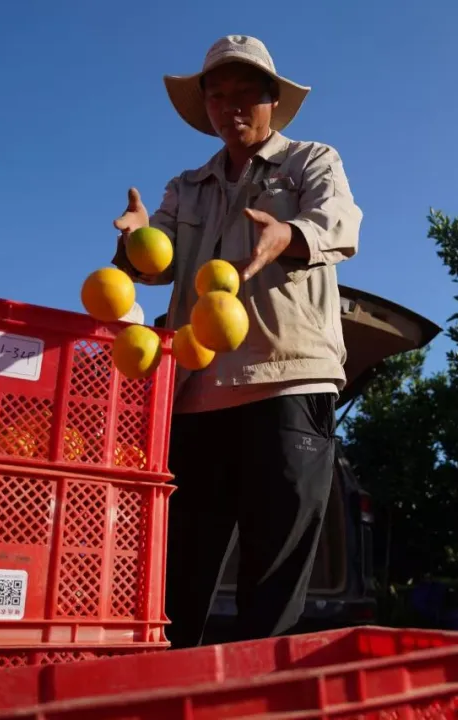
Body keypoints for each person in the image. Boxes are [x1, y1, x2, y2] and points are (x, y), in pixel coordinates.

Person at [111, 35, 363, 648]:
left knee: (272, 577)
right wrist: (135, 241)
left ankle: (257, 699)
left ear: (273, 101)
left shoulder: (310, 161)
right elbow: (154, 266)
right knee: (178, 576)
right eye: (218, 98)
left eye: (246, 94)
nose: (231, 108)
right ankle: (171, 694)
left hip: (288, 381)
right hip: (196, 392)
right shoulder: (186, 186)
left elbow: (340, 223)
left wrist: (289, 234)